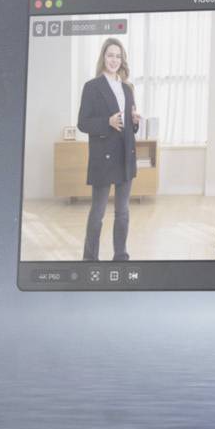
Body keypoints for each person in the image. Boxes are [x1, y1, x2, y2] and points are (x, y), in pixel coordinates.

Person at [77, 37, 141, 261]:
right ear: (103, 57)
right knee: (98, 212)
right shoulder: (92, 87)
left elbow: (129, 126)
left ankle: (120, 255)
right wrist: (107, 122)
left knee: (122, 211)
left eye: (118, 56)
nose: (114, 60)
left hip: (125, 155)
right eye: (110, 55)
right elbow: (83, 123)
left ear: (122, 60)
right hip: (103, 156)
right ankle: (90, 259)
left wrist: (134, 121)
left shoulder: (127, 88)